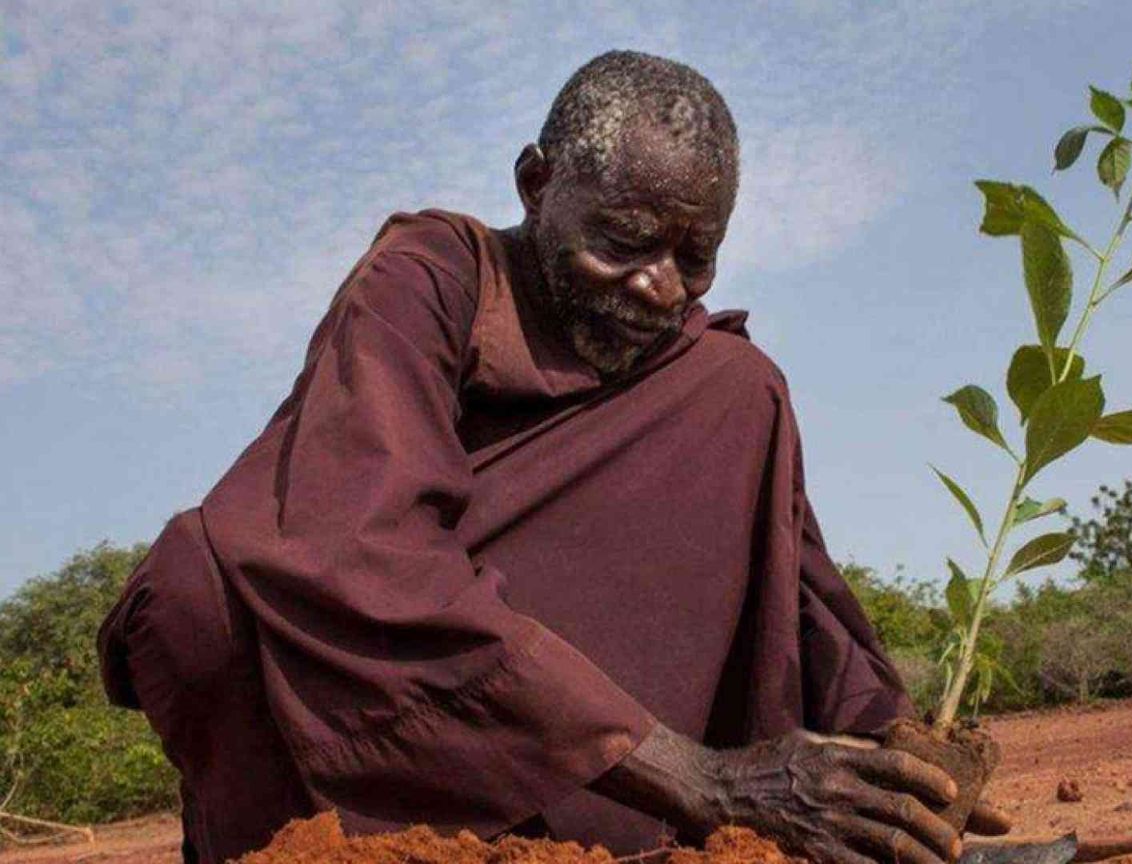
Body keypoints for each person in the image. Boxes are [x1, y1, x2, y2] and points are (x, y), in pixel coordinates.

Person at [98, 50, 1008, 864]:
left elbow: (799, 586)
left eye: (695, 257)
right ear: (536, 184)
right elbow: (357, 547)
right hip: (361, 728)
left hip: (571, 759)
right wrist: (704, 781)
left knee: (739, 386)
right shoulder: (427, 280)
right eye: (622, 242)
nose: (659, 287)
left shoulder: (704, 380)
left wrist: (902, 771)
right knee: (200, 581)